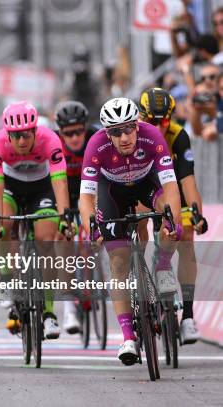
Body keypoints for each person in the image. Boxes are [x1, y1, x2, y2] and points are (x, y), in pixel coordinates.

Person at [79, 97, 182, 365]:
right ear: (106, 133)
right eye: (115, 131)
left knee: (167, 212)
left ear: (137, 125)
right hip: (112, 191)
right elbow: (86, 197)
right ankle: (128, 337)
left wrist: (174, 222)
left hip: (146, 184)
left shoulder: (152, 135)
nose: (124, 137)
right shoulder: (96, 145)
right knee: (119, 261)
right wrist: (91, 225)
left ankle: (161, 265)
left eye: (128, 129)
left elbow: (171, 186)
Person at [0, 101, 73, 340]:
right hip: (11, 186)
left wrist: (65, 217)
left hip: (41, 188)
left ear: (35, 130)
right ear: (7, 134)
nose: (22, 141)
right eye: (16, 136)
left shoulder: (51, 140)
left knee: (46, 239)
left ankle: (48, 313)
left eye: (27, 134)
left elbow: (60, 182)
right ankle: (5, 276)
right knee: (3, 225)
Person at [138, 88, 207, 344]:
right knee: (137, 229)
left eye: (163, 121)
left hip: (172, 190)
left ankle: (188, 317)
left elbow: (188, 182)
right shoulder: (132, 135)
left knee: (186, 239)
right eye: (151, 121)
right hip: (144, 189)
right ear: (141, 118)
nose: (157, 126)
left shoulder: (178, 135)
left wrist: (196, 214)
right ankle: (141, 281)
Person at [53, 100, 98, 334]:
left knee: (92, 233)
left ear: (85, 127)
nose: (74, 138)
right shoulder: (54, 143)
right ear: (60, 132)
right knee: (64, 240)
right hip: (63, 191)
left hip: (89, 190)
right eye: (68, 133)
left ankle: (94, 276)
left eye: (78, 131)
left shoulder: (96, 137)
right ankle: (69, 307)